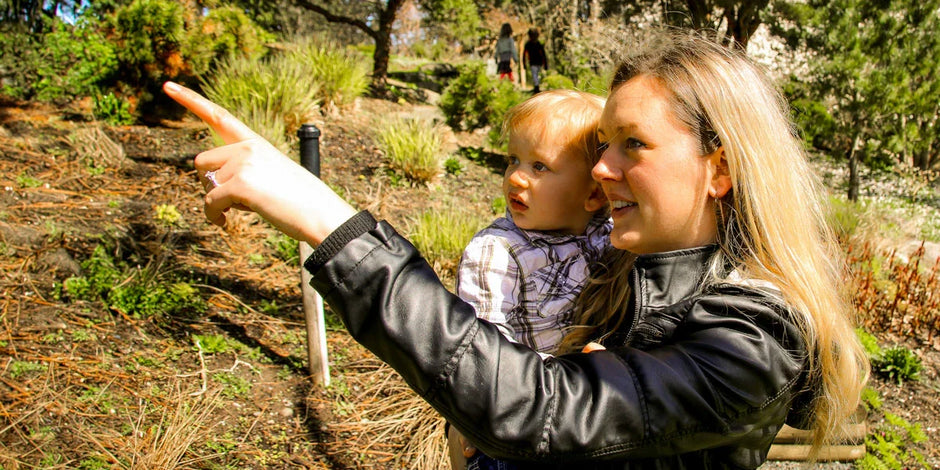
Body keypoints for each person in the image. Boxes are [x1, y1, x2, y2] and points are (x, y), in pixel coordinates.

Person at [163, 30, 869, 469]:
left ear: (720, 168)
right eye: (601, 145)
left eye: (634, 145)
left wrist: (329, 221)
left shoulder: (755, 334)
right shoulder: (629, 268)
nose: (600, 169)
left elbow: (536, 409)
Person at [451, 89, 610, 470]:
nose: (515, 177)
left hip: (587, 416)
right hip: (519, 417)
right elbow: (484, 347)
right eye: (513, 160)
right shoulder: (497, 251)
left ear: (593, 194)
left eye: (539, 167)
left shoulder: (608, 234)